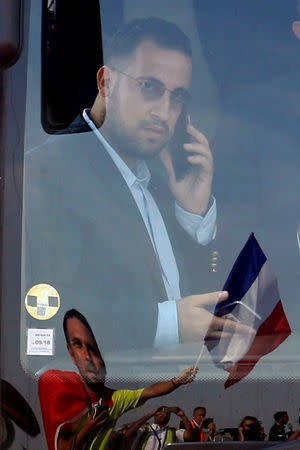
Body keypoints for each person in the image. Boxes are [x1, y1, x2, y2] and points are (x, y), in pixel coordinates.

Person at [25, 17, 251, 357]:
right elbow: (43, 319)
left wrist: (194, 216)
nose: (164, 111)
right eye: (150, 87)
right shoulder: (48, 172)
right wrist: (163, 324)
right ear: (106, 82)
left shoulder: (163, 183)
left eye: (177, 97)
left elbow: (200, 306)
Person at [38, 309, 198, 450]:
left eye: (93, 349)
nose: (87, 357)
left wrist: (176, 380)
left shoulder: (115, 400)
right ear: (71, 353)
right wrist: (87, 430)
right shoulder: (57, 385)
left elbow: (150, 391)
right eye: (78, 346)